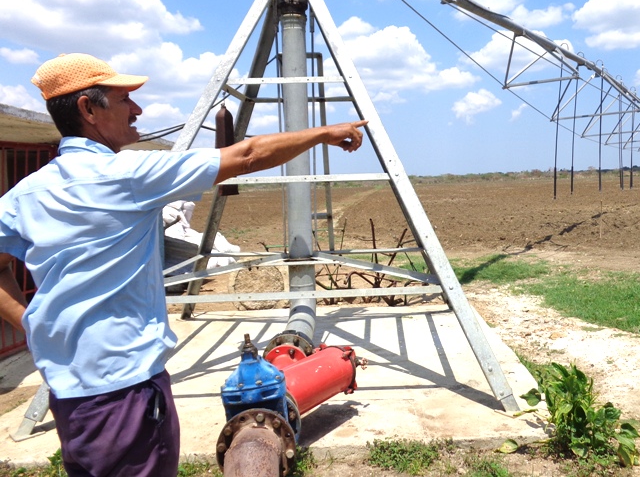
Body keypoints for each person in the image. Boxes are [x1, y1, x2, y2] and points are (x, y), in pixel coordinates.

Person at [0, 53, 368, 476]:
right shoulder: (125, 175)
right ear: (88, 110)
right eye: (124, 100)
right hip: (124, 393)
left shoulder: (26, 193)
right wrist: (324, 131)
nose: (137, 110)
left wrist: (33, 324)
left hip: (71, 393)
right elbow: (246, 155)